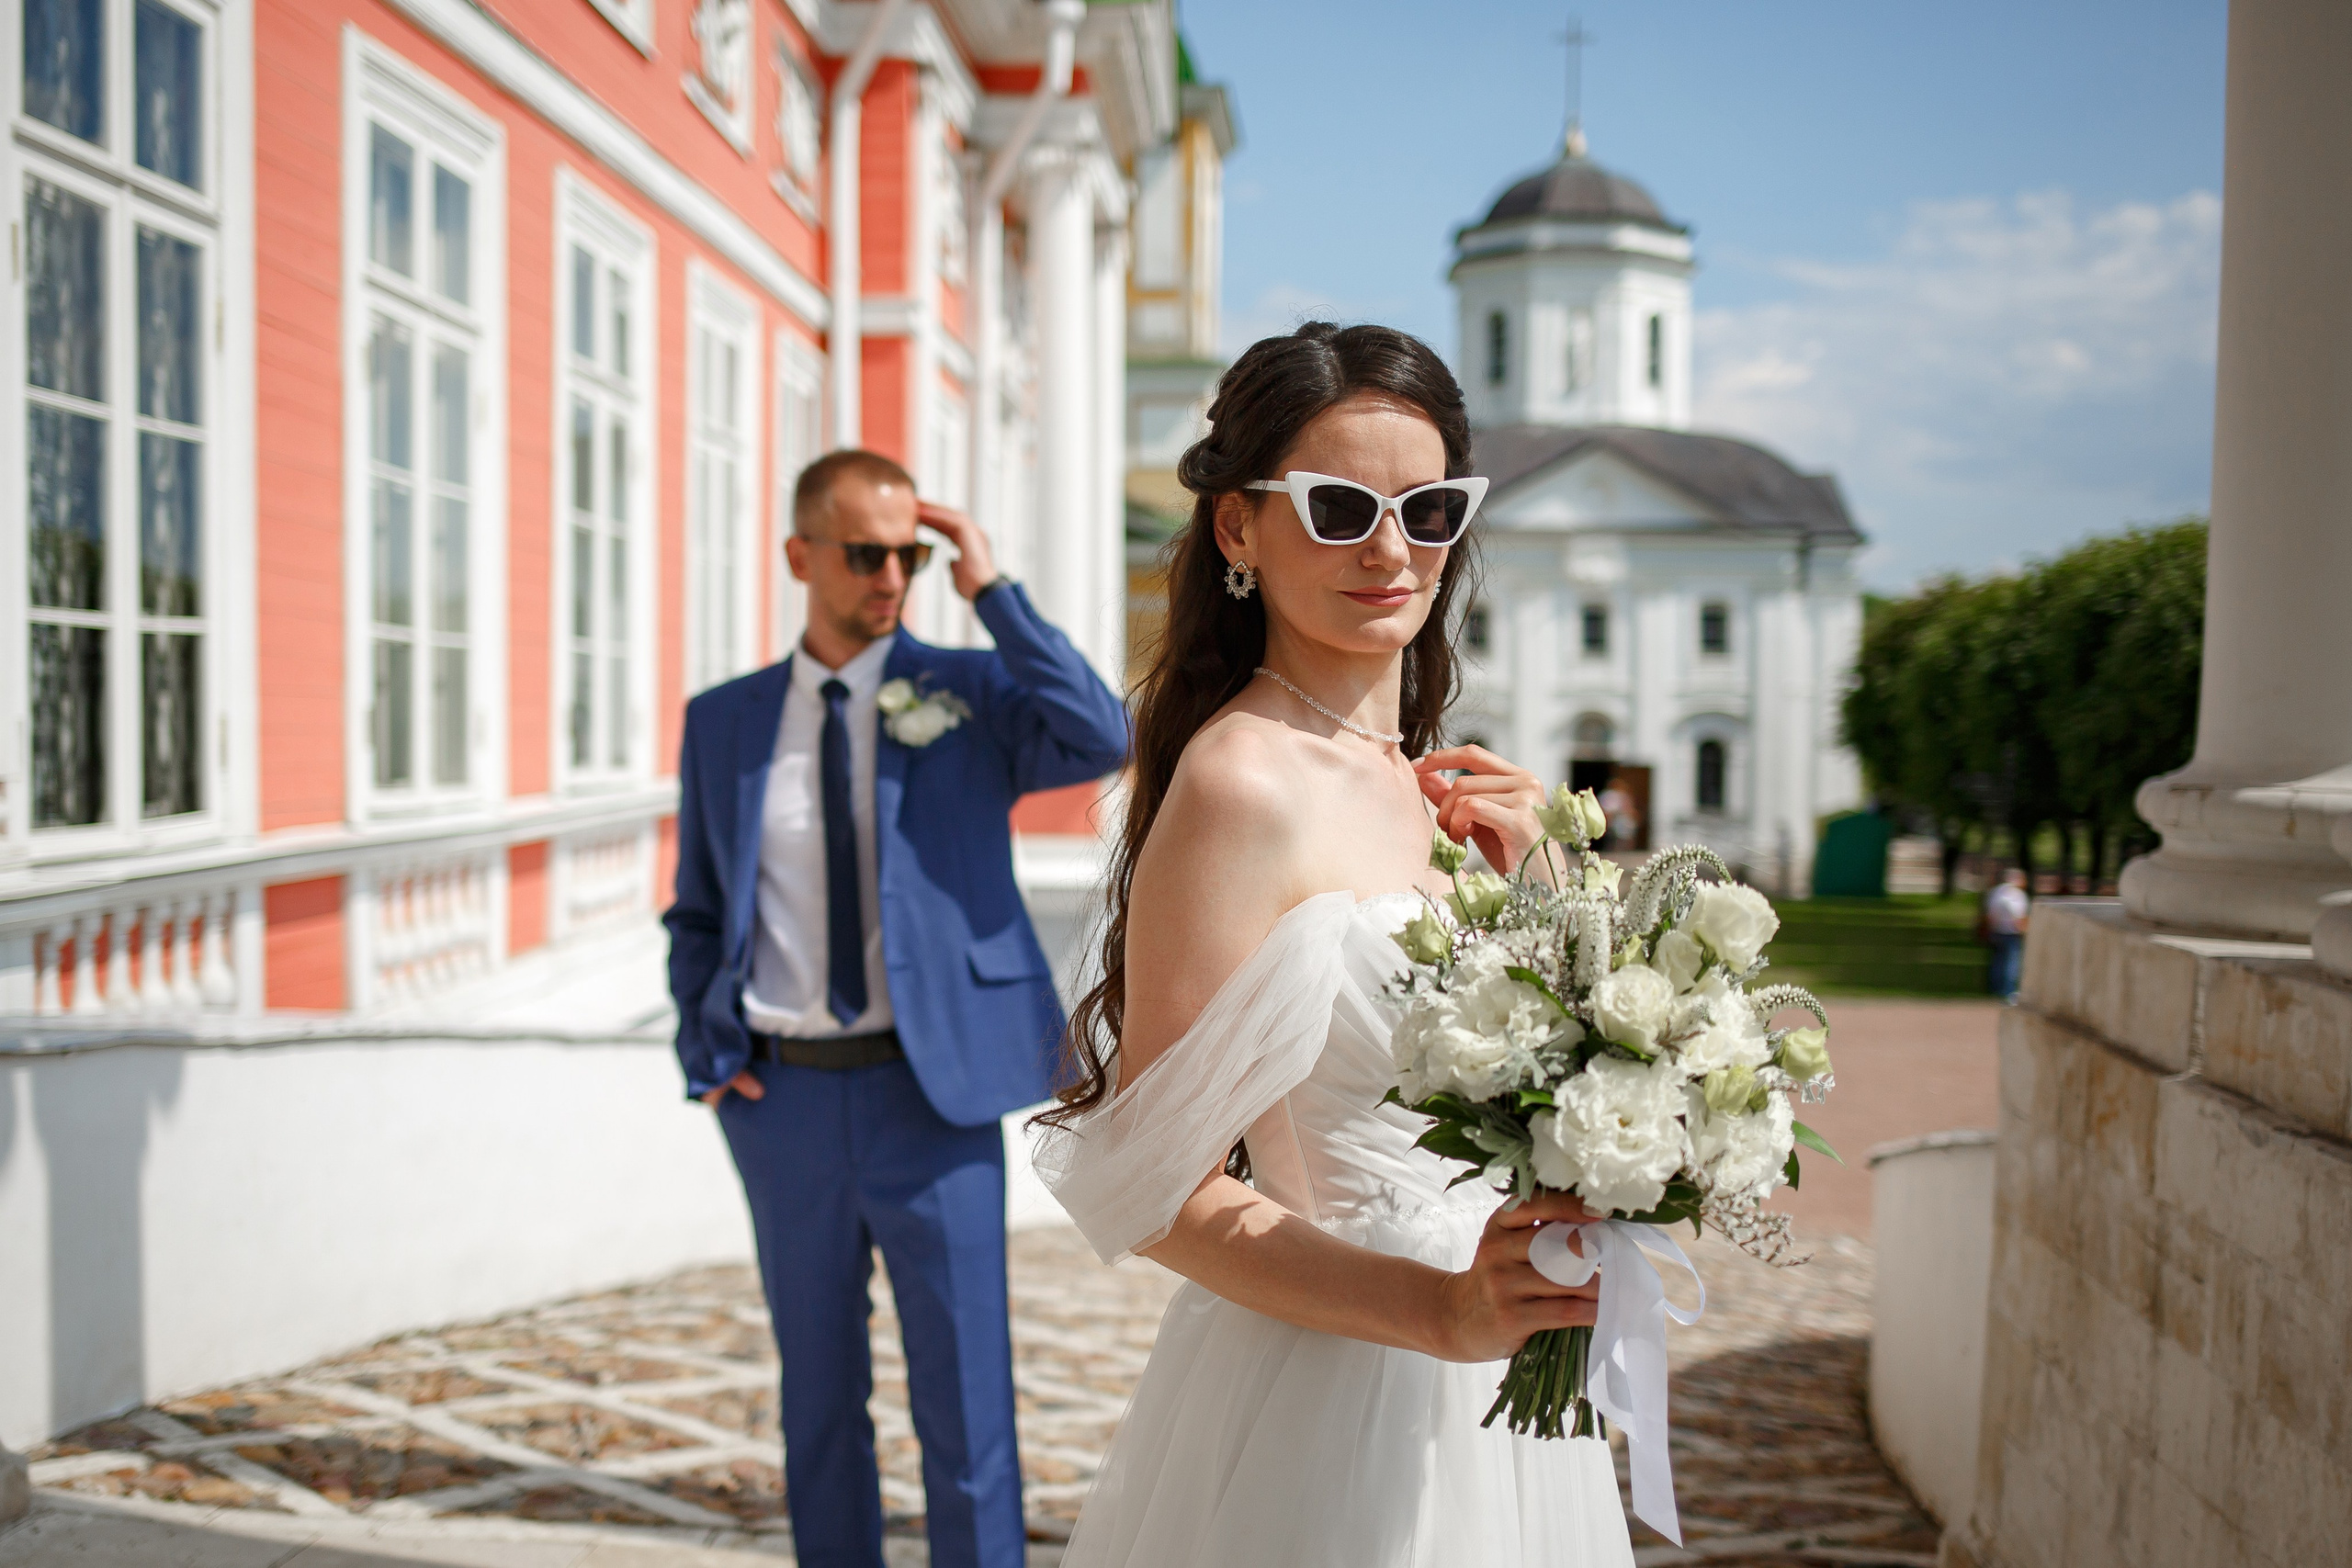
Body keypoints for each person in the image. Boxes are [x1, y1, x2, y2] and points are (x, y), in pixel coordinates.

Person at [1035, 324, 1630, 1565]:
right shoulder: (1241, 782)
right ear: (1238, 528)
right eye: (1343, 504)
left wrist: (1548, 889)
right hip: (1343, 1376)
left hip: (1502, 1380)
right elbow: (1162, 1188)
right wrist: (1440, 1308)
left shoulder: (1436, 781)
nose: (1392, 548)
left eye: (1430, 509)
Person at [663, 449, 1129, 1568]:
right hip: (778, 1101)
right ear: (799, 556)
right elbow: (699, 908)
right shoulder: (724, 722)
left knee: (966, 1400)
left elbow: (1101, 734)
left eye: (908, 554)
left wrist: (990, 591)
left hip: (934, 1095)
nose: (890, 575)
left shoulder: (965, 695)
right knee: (817, 1400)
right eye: (866, 552)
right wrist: (705, 1050)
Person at [1984, 866, 2030, 999]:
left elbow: (1990, 913)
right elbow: (2016, 912)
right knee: (2011, 963)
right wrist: (2023, 927)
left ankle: (1995, 987)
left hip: (1996, 930)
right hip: (2011, 932)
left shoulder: (1995, 892)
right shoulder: (2016, 894)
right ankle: (2008, 990)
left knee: (1998, 961)